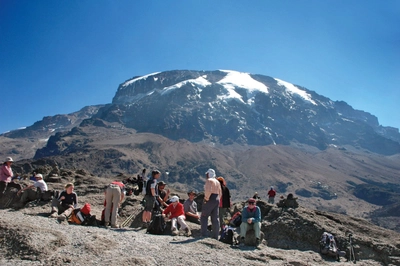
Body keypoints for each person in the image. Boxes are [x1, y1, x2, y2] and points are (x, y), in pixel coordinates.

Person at [201, 168, 222, 240]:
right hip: (217, 198)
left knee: (204, 216)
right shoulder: (217, 181)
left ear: (208, 174)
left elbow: (208, 190)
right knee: (215, 218)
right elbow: (220, 192)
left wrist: (206, 199)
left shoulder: (209, 181)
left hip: (210, 198)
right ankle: (215, 235)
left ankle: (204, 234)